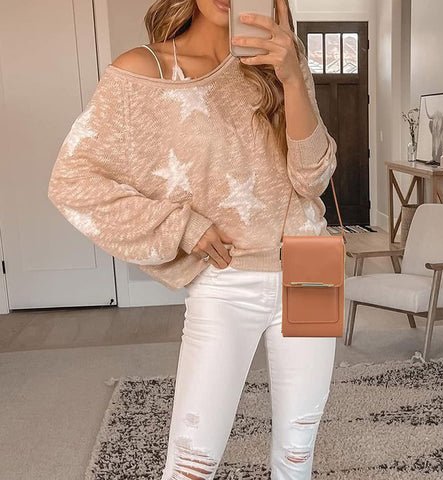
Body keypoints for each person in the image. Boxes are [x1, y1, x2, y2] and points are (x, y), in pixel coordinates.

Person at [47, 0, 338, 477]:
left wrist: (291, 77)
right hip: (228, 277)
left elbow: (313, 178)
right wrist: (182, 227)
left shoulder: (283, 61)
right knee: (191, 465)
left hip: (314, 267)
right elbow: (73, 181)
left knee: (297, 454)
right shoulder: (146, 70)